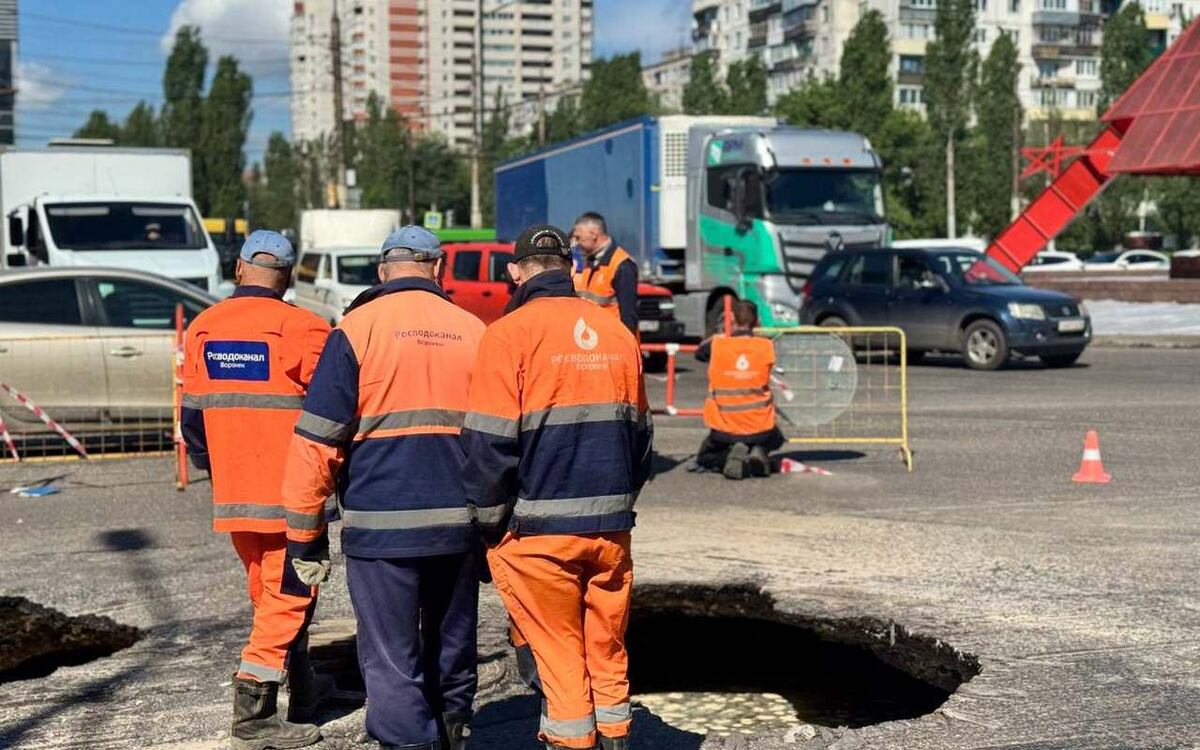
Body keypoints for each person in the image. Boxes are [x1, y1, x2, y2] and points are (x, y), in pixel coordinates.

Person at [281, 226, 486, 750]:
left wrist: (305, 534)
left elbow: (317, 443)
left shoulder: (356, 329)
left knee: (392, 655)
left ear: (381, 272)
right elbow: (499, 438)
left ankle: (408, 743)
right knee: (453, 641)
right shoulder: (474, 329)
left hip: (382, 526)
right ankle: (454, 731)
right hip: (459, 525)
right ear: (437, 270)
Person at [461, 224, 653, 750]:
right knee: (606, 648)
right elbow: (641, 441)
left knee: (559, 654)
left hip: (539, 531)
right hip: (610, 529)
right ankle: (616, 735)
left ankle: (571, 742)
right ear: (571, 268)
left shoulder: (508, 334)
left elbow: (489, 445)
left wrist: (488, 522)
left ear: (515, 272)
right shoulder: (615, 332)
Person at [180, 230, 333, 750]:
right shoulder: (307, 329)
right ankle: (253, 714)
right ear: (287, 277)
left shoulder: (203, 328)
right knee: (292, 594)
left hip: (235, 495)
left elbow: (192, 420)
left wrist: (219, 468)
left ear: (241, 269)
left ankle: (304, 686)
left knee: (266, 595)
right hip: (295, 494)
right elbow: (332, 413)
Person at [694, 300, 785, 479]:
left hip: (724, 427)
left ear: (732, 319)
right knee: (777, 438)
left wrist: (718, 334)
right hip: (760, 426)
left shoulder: (718, 345)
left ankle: (731, 457)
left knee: (706, 458)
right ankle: (757, 453)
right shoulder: (766, 346)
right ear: (757, 321)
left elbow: (699, 354)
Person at [571, 212, 639, 335]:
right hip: (593, 337)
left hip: (614, 339)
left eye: (578, 237)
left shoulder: (622, 265)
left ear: (594, 234)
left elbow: (628, 314)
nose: (576, 243)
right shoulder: (588, 260)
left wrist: (627, 346)